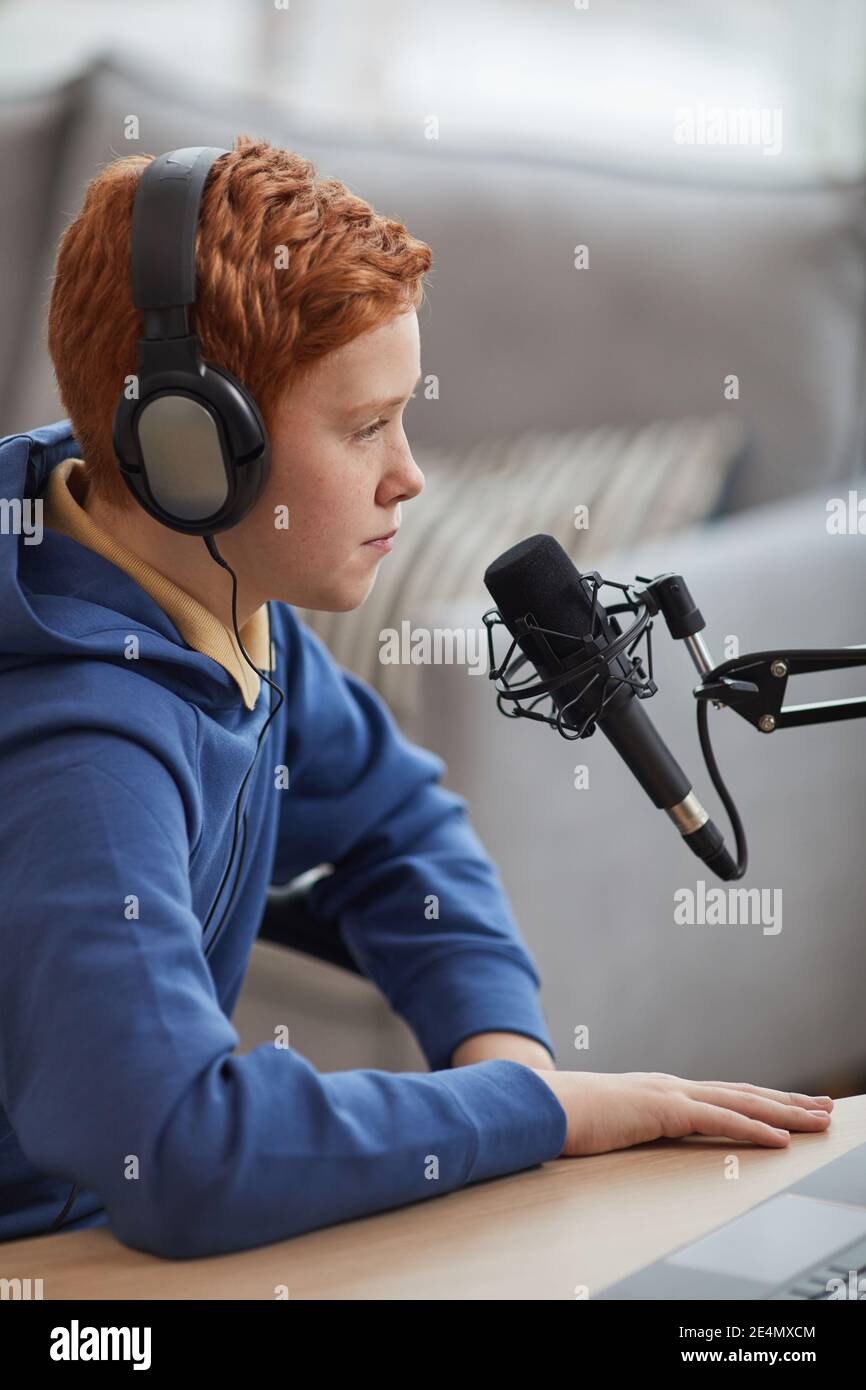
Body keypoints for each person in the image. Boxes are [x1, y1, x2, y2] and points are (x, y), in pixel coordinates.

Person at [0, 137, 832, 1259]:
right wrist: (545, 1115)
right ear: (192, 452)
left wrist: (505, 1061)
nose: (410, 473)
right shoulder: (82, 762)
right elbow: (183, 1152)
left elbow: (396, 819)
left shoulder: (210, 595)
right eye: (362, 427)